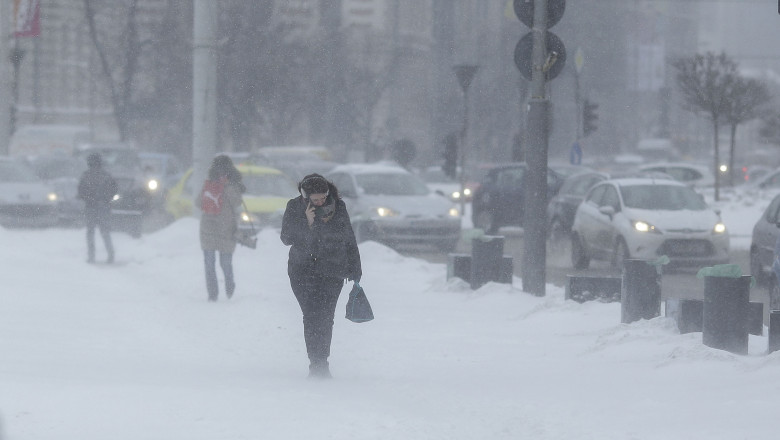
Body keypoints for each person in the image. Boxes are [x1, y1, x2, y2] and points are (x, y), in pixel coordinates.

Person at [280, 173, 362, 379]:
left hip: (332, 269)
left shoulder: (338, 207)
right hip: (302, 270)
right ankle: (314, 361)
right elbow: (286, 238)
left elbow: (348, 237)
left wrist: (355, 267)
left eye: (323, 197)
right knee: (311, 315)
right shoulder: (294, 207)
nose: (320, 202)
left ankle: (321, 362)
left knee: (325, 317)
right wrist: (306, 222)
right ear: (305, 197)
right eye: (315, 199)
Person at [199, 155, 245, 302]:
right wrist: (211, 191)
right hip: (209, 229)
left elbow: (237, 203)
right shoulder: (209, 185)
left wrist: (229, 187)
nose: (221, 175)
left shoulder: (233, 186)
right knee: (209, 263)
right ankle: (212, 294)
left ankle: (230, 286)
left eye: (224, 171)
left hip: (227, 230)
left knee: (225, 263)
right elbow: (198, 202)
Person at [77, 153, 118, 264]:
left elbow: (80, 191)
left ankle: (91, 256)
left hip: (90, 207)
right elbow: (114, 189)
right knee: (105, 232)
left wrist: (88, 198)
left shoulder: (86, 176)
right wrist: (106, 199)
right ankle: (111, 254)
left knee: (90, 232)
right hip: (104, 207)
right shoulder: (106, 175)